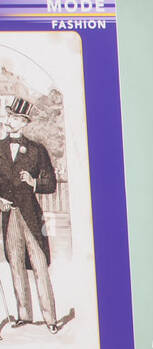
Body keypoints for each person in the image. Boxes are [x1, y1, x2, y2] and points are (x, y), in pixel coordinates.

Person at [0, 97, 61, 333]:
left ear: (23, 122)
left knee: (39, 264)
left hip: (30, 215)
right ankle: (23, 315)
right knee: (15, 263)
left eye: (14, 117)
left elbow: (51, 183)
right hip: (9, 216)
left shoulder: (36, 150)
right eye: (9, 116)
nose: (9, 120)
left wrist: (34, 181)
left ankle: (51, 319)